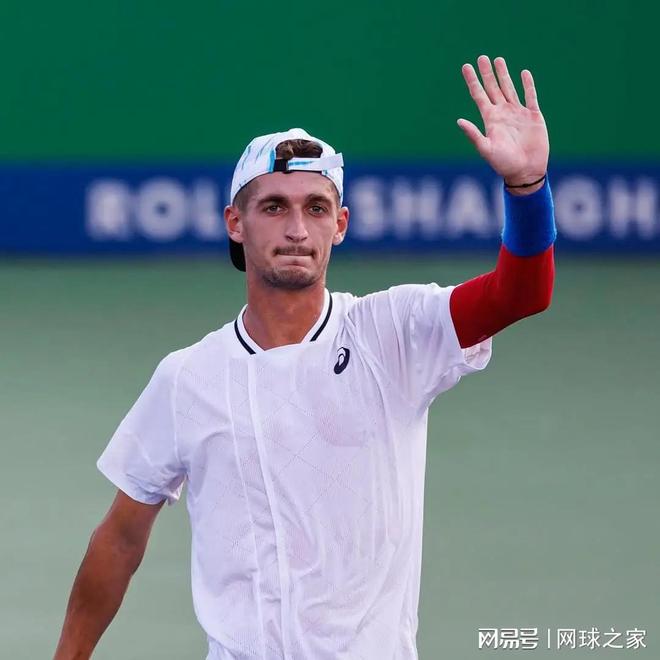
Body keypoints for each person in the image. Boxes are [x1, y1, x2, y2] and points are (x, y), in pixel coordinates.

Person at [54, 55, 555, 660]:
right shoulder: (187, 377)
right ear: (235, 223)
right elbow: (120, 540)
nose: (297, 229)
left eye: (316, 208)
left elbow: (520, 294)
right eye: (274, 207)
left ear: (339, 225)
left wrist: (527, 189)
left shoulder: (393, 331)